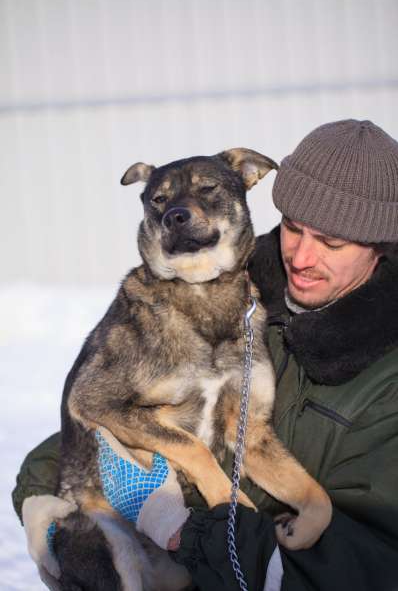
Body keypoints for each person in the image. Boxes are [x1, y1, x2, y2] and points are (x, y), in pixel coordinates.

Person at [12, 119, 398, 590]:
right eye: (293, 229)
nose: (300, 257)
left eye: (332, 243)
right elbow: (90, 414)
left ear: (379, 245)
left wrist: (191, 532)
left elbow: (372, 564)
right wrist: (42, 497)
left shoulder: (386, 380)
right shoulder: (245, 298)